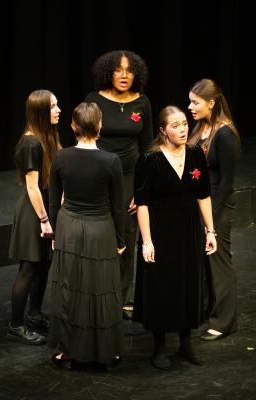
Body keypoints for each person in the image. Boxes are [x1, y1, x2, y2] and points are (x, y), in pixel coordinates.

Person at [133, 105, 217, 370]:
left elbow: (203, 194)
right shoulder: (150, 159)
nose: (182, 129)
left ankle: (185, 341)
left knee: (188, 280)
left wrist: (210, 230)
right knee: (161, 283)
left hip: (189, 228)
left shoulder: (195, 154)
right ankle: (159, 346)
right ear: (163, 130)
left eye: (184, 124)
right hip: (160, 229)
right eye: (175, 126)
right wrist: (147, 241)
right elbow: (143, 204)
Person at [48, 102, 126, 370]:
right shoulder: (111, 161)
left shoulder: (61, 157)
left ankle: (66, 350)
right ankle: (106, 351)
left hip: (69, 226)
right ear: (100, 126)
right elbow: (119, 205)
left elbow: (53, 200)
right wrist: (121, 239)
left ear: (73, 126)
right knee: (101, 289)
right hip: (100, 229)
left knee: (70, 287)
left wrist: (56, 232)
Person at [85, 50, 153, 318]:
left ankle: (124, 296)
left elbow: (147, 147)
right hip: (100, 176)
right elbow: (85, 139)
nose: (124, 76)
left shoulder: (142, 102)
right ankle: (100, 291)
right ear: (108, 72)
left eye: (129, 70)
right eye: (118, 70)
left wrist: (142, 188)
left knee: (127, 233)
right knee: (101, 234)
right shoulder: (94, 100)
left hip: (129, 177)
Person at [188, 78, 240, 340]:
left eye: (195, 103)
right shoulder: (201, 128)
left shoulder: (225, 134)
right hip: (201, 204)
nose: (190, 107)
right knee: (203, 261)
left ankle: (224, 321)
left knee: (219, 261)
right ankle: (208, 309)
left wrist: (211, 221)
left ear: (211, 103)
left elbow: (227, 182)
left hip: (217, 205)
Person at [8, 89, 61, 344]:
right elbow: (32, 187)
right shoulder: (31, 142)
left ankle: (35, 314)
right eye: (53, 106)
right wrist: (44, 220)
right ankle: (16, 324)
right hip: (33, 212)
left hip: (45, 208)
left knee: (44, 265)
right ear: (41, 111)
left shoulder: (47, 137)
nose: (58, 110)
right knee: (28, 268)